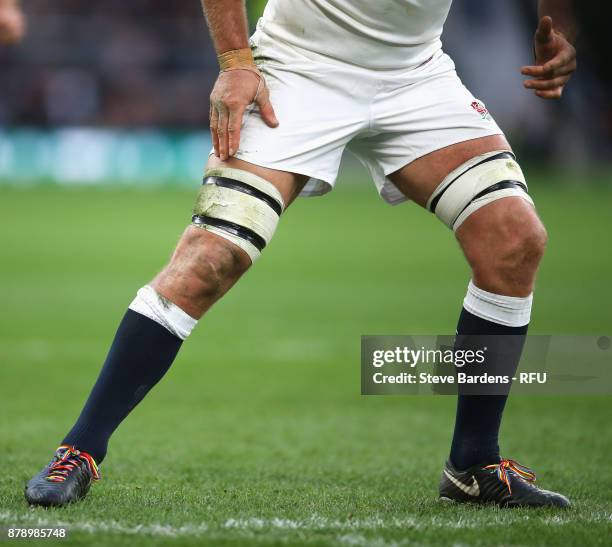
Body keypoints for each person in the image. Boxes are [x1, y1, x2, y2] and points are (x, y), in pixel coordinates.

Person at [25, 0, 577, 507]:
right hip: (297, 68)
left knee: (515, 240)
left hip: (416, 75)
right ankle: (81, 448)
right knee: (210, 258)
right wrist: (237, 62)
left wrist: (556, 26)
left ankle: (473, 463)